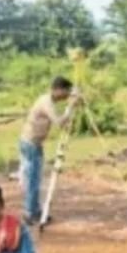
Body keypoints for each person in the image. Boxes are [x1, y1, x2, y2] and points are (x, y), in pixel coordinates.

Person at [17, 76, 80, 225]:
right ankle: (30, 213)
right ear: (58, 90)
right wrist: (70, 107)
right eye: (65, 92)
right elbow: (59, 123)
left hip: (34, 144)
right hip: (30, 144)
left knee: (35, 179)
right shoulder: (46, 102)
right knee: (33, 180)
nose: (66, 96)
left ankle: (35, 210)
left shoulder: (48, 100)